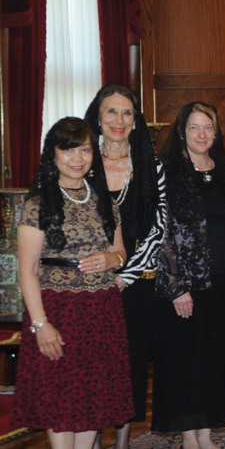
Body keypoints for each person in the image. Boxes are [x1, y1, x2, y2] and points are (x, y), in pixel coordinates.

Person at [13, 117, 133, 449]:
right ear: (52, 154)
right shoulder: (38, 204)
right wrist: (41, 325)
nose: (77, 158)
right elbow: (26, 269)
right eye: (68, 150)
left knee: (93, 402)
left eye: (84, 149)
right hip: (57, 312)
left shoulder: (104, 200)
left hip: (100, 313)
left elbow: (121, 251)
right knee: (59, 401)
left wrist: (113, 260)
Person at [83, 84, 167, 449]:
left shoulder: (153, 167)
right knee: (91, 364)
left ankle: (122, 439)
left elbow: (160, 228)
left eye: (127, 112)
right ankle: (91, 437)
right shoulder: (80, 162)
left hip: (136, 287)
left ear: (136, 121)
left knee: (129, 364)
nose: (119, 120)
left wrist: (125, 276)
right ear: (98, 119)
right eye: (111, 112)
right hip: (85, 283)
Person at [151, 102, 225, 448]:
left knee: (212, 359)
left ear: (216, 132)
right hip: (185, 285)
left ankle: (205, 433)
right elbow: (162, 232)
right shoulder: (168, 171)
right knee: (185, 361)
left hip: (221, 283)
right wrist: (177, 287)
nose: (202, 134)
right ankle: (189, 436)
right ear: (182, 133)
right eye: (194, 128)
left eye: (208, 127)